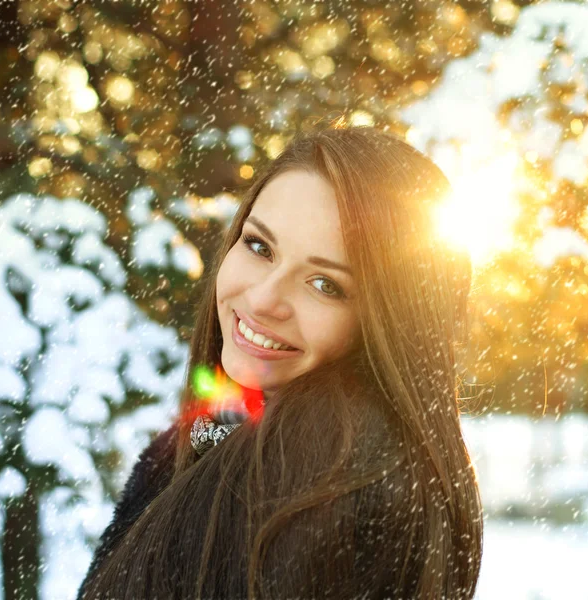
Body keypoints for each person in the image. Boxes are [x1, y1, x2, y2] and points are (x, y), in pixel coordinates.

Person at [77, 124, 484, 599]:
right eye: (259, 247)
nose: (264, 298)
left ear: (388, 324)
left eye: (325, 284)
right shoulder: (217, 436)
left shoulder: (345, 495)